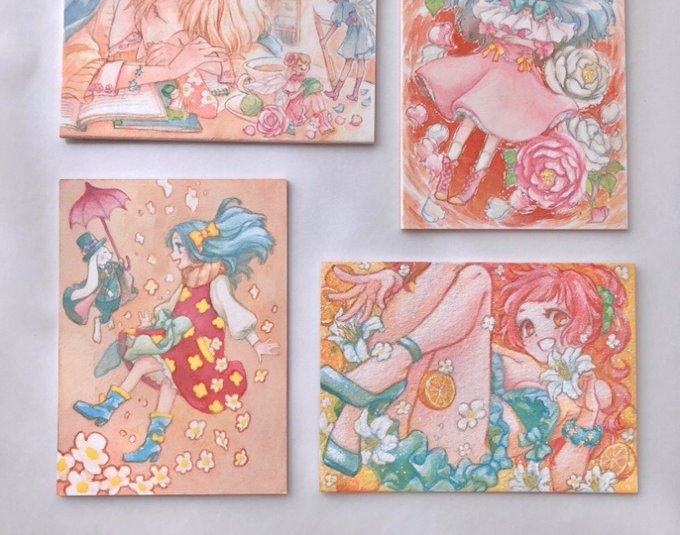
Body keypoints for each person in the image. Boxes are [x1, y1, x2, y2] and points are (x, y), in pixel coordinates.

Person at [321, 262, 631, 492]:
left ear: (587, 323)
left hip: (458, 451)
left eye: (557, 317)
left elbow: (565, 482)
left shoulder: (585, 387)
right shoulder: (506, 354)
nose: (541, 334)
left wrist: (589, 414)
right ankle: (351, 420)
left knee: (475, 279)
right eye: (527, 325)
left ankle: (383, 373)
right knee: (449, 271)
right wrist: (398, 289)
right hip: (413, 415)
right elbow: (442, 334)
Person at [72, 199, 279, 463]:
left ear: (197, 249)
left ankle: (107, 408)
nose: (174, 254)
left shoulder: (216, 281)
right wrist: (158, 318)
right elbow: (172, 306)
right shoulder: (189, 279)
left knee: (144, 364)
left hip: (200, 353)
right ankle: (152, 443)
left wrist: (255, 341)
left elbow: (232, 310)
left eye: (179, 248)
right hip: (181, 345)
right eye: (174, 248)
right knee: (169, 385)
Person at [415, 0, 615, 204]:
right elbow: (491, 26)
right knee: (468, 120)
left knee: (496, 133)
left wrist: (524, 45)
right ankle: (445, 179)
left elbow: (543, 44)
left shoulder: (548, 15)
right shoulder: (508, 2)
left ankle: (469, 189)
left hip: (519, 75)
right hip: (493, 64)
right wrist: (504, 38)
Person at [62, 0, 279, 119]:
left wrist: (207, 62)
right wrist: (169, 70)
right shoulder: (107, 10)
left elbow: (254, 49)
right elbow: (76, 72)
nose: (184, 44)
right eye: (182, 37)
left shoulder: (172, 10)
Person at [62, 232, 137, 343]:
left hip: (116, 295)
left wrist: (122, 266)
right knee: (105, 315)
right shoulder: (98, 274)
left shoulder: (111, 265)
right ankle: (98, 323)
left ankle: (110, 317)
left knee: (115, 307)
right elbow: (99, 286)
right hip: (104, 300)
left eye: (105, 251)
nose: (107, 255)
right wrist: (107, 291)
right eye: (102, 254)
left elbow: (120, 270)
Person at [320, 0, 375, 102]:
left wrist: (325, 39)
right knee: (355, 62)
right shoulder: (344, 6)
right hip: (357, 33)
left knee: (356, 62)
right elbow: (335, 23)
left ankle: (346, 92)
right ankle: (342, 92)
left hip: (360, 34)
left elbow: (335, 25)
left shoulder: (342, 6)